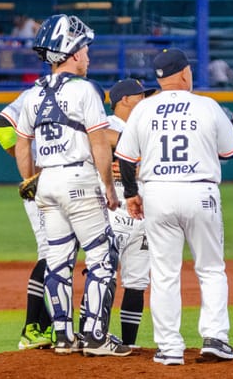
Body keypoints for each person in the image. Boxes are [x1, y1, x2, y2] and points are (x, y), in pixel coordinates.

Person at [14, 14, 130, 357]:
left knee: (57, 260)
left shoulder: (32, 94)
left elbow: (22, 144)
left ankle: (64, 336)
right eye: (85, 49)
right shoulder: (85, 90)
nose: (88, 56)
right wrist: (109, 187)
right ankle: (95, 335)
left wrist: (30, 179)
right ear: (72, 52)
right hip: (78, 178)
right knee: (102, 256)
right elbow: (98, 143)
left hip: (47, 181)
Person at [115, 48, 233, 365]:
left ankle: (169, 348)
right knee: (210, 268)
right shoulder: (207, 106)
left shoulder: (144, 109)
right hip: (200, 192)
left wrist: (131, 194)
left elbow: (126, 158)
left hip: (157, 193)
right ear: (185, 74)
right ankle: (215, 339)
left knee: (164, 273)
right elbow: (230, 152)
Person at [0, 89, 53, 350]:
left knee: (59, 253)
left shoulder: (76, 89)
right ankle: (31, 328)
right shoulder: (39, 91)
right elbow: (1, 126)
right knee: (50, 253)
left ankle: (46, 325)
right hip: (41, 186)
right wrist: (29, 169)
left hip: (64, 184)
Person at [105, 79, 155, 348]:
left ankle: (130, 344)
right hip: (114, 211)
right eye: (140, 96)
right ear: (124, 100)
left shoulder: (146, 128)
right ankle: (95, 334)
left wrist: (137, 165)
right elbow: (97, 142)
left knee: (137, 280)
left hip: (144, 212)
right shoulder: (106, 125)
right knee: (103, 274)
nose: (145, 100)